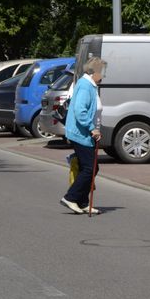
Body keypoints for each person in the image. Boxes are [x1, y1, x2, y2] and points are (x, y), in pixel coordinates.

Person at [60, 56, 107, 215]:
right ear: (94, 72)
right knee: (90, 168)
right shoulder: (86, 86)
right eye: (102, 72)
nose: (104, 76)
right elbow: (80, 111)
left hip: (84, 133)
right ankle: (71, 197)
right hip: (82, 134)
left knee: (89, 167)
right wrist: (92, 128)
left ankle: (82, 201)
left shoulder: (89, 85)